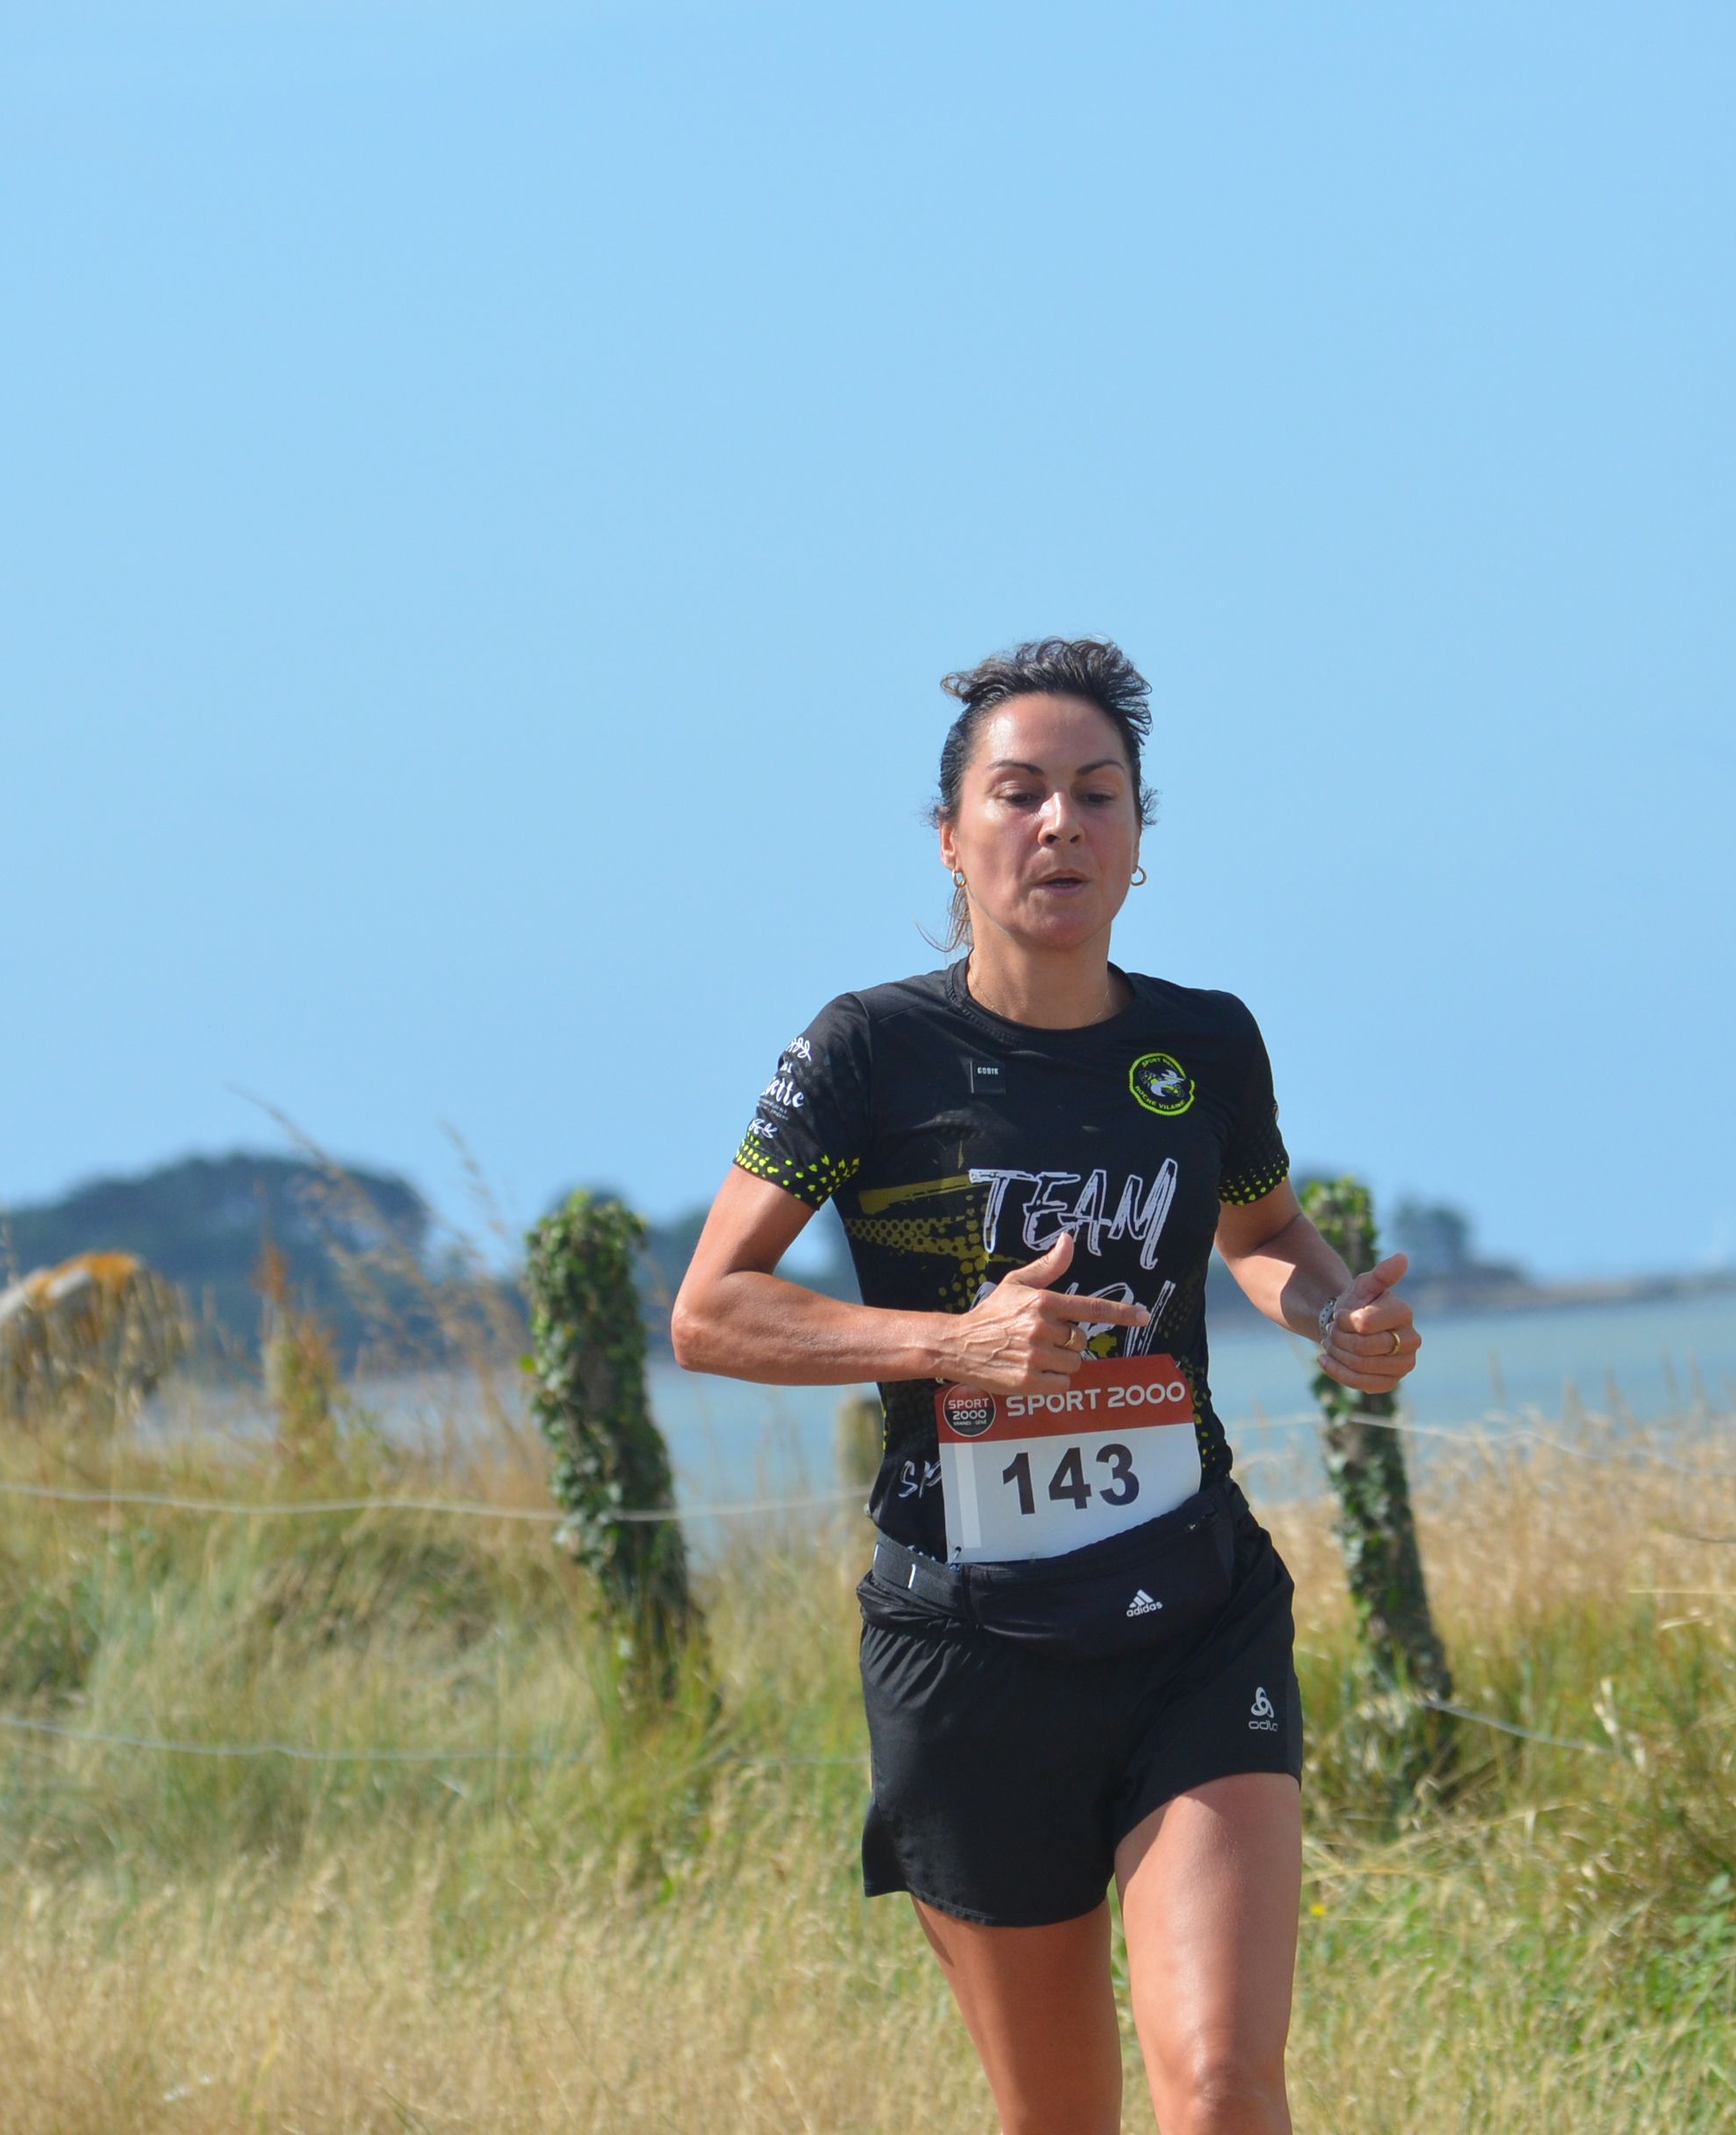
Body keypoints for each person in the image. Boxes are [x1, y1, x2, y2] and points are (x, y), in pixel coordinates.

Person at [671, 639, 1424, 2135]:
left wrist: (1335, 1315)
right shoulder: (871, 1050)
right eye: (1018, 794)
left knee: (1221, 2088)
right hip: (971, 1645)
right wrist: (952, 1345)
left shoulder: (1203, 1044)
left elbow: (1263, 1233)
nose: (1060, 824)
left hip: (1192, 1611)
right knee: (1062, 2119)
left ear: (1139, 838)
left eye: (1097, 793)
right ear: (952, 838)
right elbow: (711, 1313)